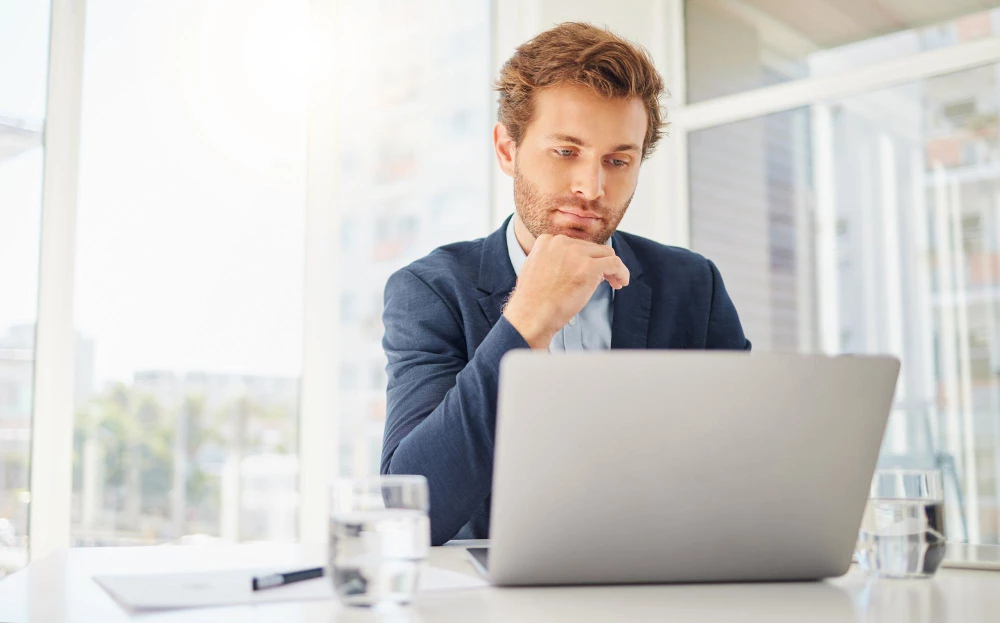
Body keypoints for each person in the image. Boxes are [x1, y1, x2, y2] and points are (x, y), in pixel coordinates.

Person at [380, 22, 750, 545]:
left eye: (618, 160)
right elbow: (407, 515)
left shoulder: (693, 285)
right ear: (508, 150)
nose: (591, 188)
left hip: (659, 581)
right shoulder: (430, 291)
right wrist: (528, 320)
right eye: (565, 151)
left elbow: (748, 466)